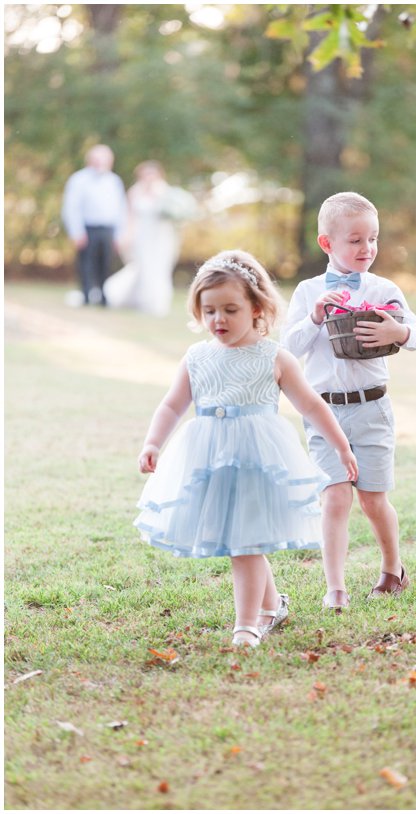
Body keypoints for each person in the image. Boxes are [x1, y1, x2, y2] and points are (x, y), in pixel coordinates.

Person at [135, 250, 358, 647]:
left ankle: (247, 624)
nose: (218, 320)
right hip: (211, 461)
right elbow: (173, 404)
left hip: (259, 461)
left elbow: (311, 404)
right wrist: (154, 441)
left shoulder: (274, 357)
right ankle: (272, 605)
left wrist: (341, 447)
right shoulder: (197, 357)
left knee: (244, 544)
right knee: (240, 538)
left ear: (256, 307)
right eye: (209, 311)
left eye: (230, 310)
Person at [283, 192, 416, 610]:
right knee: (335, 496)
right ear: (327, 243)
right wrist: (314, 316)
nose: (367, 249)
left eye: (374, 239)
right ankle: (336, 588)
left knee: (372, 499)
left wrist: (396, 334)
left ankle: (392, 569)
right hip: (323, 410)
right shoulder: (309, 291)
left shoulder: (384, 289)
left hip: (372, 408)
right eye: (356, 240)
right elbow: (288, 347)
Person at [106, 161, 196, 317]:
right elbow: (130, 217)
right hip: (142, 237)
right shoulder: (135, 191)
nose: (148, 177)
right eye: (145, 174)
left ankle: (157, 303)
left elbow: (177, 215)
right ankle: (140, 301)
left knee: (160, 268)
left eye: (151, 174)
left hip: (162, 237)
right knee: (143, 268)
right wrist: (125, 237)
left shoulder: (166, 192)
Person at [61, 144, 127, 306]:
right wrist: (76, 232)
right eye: (97, 158)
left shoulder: (114, 181)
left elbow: (120, 209)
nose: (100, 162)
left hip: (108, 229)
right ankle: (85, 295)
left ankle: (104, 296)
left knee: (105, 263)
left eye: (104, 159)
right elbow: (72, 207)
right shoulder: (78, 179)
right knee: (86, 263)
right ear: (89, 160)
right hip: (87, 228)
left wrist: (119, 234)